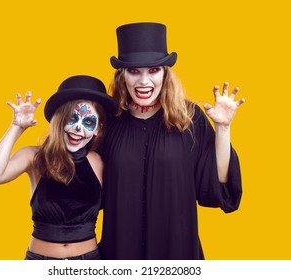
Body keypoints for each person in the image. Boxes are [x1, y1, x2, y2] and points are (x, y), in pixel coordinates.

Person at [98, 22, 245, 259]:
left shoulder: (189, 119)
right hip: (119, 255)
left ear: (166, 73)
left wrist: (223, 129)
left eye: (153, 70)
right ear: (122, 75)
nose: (144, 81)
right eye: (134, 71)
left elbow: (215, 183)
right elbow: (86, 185)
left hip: (177, 255)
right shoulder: (110, 122)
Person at [0, 75, 117, 260]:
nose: (78, 128)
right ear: (57, 120)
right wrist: (16, 127)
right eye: (71, 118)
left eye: (88, 122)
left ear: (98, 129)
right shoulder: (34, 157)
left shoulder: (99, 162)